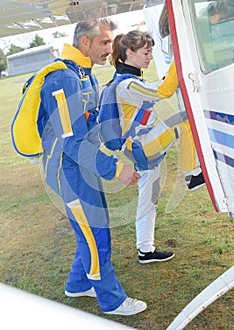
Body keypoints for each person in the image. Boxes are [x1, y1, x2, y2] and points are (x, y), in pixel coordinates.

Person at [38, 19, 147, 316]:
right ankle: (111, 300)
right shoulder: (62, 79)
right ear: (84, 43)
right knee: (96, 232)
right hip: (69, 171)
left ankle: (77, 283)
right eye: (104, 42)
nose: (110, 49)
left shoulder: (85, 75)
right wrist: (115, 169)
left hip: (82, 167)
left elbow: (86, 124)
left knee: (89, 228)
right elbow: (72, 143)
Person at [99, 29, 203, 264]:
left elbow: (160, 87)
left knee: (149, 199)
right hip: (143, 146)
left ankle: (145, 250)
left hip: (139, 148)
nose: (150, 57)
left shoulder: (127, 81)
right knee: (185, 120)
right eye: (146, 52)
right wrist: (180, 56)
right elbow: (164, 91)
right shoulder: (127, 86)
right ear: (129, 53)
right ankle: (192, 175)